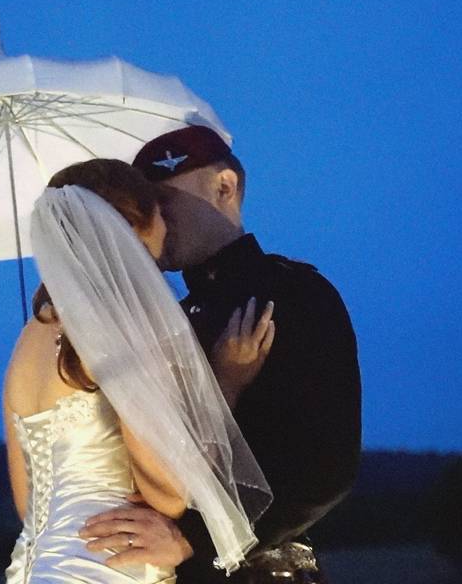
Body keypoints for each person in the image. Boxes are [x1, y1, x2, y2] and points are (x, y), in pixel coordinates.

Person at [80, 126, 361, 583]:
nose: (153, 224)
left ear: (224, 187)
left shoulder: (295, 295)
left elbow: (325, 469)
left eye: (164, 204)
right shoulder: (168, 318)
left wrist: (193, 540)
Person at [3, 159, 275, 583]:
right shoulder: (126, 326)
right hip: (110, 566)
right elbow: (167, 493)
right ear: (132, 226)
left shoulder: (31, 337)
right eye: (160, 209)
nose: (167, 226)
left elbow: (27, 503)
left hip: (36, 567)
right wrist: (226, 384)